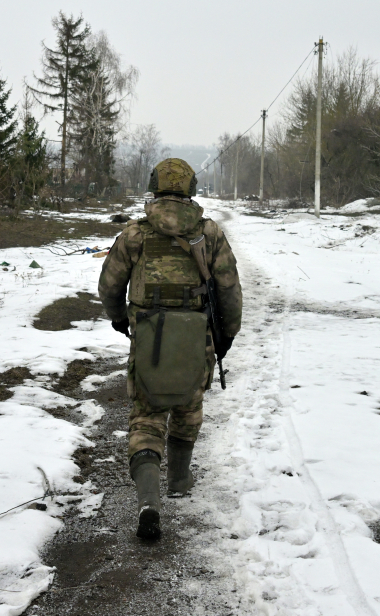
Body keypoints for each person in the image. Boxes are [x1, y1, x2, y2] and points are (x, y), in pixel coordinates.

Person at [98, 158, 242, 539]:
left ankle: (149, 501)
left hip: (149, 339)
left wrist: (119, 319)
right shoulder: (209, 234)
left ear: (154, 187)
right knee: (188, 410)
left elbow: (109, 286)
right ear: (191, 189)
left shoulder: (134, 234)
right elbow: (229, 288)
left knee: (146, 419)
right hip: (196, 340)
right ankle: (179, 480)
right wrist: (227, 335)